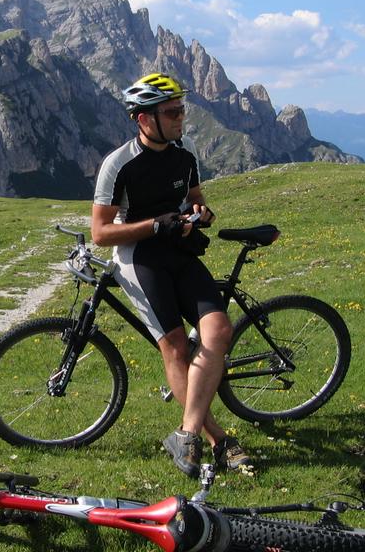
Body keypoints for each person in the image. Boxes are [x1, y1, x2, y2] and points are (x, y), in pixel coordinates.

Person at [91, 72, 252, 478]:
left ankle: (186, 434)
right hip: (140, 258)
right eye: (172, 111)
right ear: (145, 119)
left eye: (182, 109)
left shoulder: (186, 150)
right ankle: (219, 441)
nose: (182, 117)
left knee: (218, 333)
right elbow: (100, 233)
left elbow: (195, 199)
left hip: (179, 253)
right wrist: (154, 225)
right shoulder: (119, 164)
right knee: (177, 348)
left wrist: (201, 214)